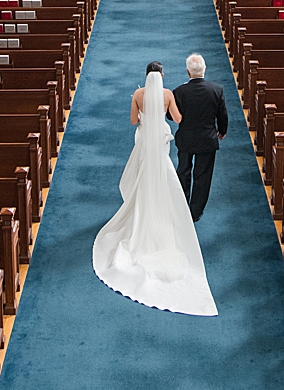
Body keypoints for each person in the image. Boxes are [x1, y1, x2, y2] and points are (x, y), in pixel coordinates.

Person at [92, 62, 217, 316]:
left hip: (144, 139)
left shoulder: (138, 95)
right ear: (162, 76)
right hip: (160, 138)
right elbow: (179, 119)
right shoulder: (168, 94)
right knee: (164, 174)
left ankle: (141, 207)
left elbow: (132, 121)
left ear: (145, 76)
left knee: (142, 174)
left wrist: (144, 115)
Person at [170, 53, 228, 223]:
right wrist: (222, 131)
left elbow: (170, 115)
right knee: (203, 176)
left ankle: (181, 206)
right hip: (207, 140)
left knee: (183, 171)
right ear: (205, 70)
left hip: (186, 139)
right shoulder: (216, 90)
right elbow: (222, 115)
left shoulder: (179, 91)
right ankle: (195, 212)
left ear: (188, 72)